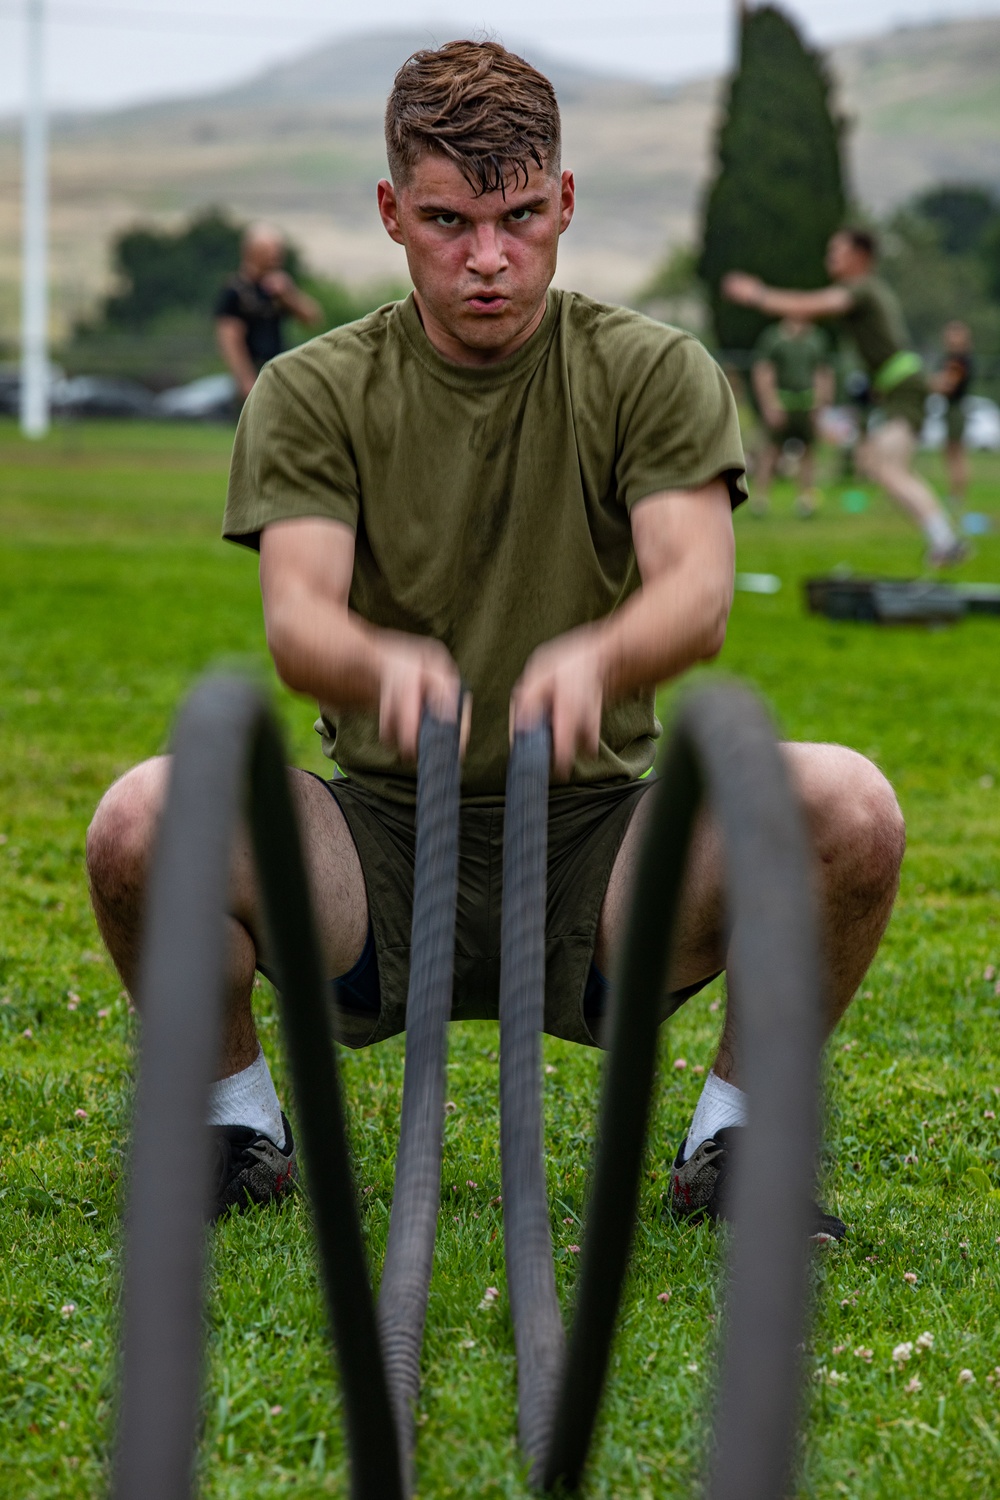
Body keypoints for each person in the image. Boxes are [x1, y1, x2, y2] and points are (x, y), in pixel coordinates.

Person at [86, 42, 905, 1235]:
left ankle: (739, 1143)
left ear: (564, 200)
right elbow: (299, 620)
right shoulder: (312, 389)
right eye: (447, 220)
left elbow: (697, 593)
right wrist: (377, 665)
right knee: (140, 820)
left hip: (598, 837)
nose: (487, 258)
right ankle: (234, 1126)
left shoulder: (652, 370)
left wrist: (602, 656)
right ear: (389, 213)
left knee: (850, 807)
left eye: (521, 216)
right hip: (370, 839)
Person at [724, 228, 966, 566]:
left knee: (887, 467)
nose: (830, 258)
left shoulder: (861, 288)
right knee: (880, 464)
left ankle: (946, 541)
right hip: (898, 387)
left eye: (836, 251)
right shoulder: (867, 290)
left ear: (860, 257)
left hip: (904, 388)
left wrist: (756, 294)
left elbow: (807, 306)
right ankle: (945, 540)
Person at [215, 224, 321, 401]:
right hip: (253, 370)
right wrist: (245, 379)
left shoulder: (277, 289)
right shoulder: (235, 291)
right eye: (269, 251)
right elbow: (230, 339)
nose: (276, 256)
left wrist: (288, 296)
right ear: (251, 252)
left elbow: (313, 318)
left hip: (278, 368)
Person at [749, 317, 833, 516]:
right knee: (771, 451)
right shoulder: (773, 338)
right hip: (781, 403)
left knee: (808, 453)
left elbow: (822, 372)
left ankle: (806, 501)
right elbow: (764, 371)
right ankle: (760, 501)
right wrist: (769, 404)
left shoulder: (816, 339)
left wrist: (821, 404)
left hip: (807, 404)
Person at [931, 319, 974, 511]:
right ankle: (955, 494)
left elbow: (949, 385)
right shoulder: (953, 358)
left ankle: (957, 496)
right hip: (951, 409)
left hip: (956, 409)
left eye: (954, 333)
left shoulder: (958, 360)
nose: (949, 336)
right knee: (951, 453)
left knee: (955, 454)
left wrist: (927, 385)